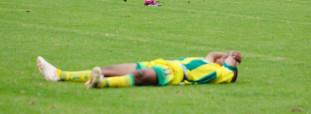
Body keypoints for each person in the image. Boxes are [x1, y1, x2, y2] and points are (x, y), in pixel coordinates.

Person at [36, 51, 242, 89]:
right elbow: (215, 54)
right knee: (108, 68)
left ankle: (101, 83)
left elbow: (231, 64)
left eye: (226, 59)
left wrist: (233, 56)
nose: (224, 57)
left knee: (140, 76)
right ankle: (58, 75)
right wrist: (227, 52)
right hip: (162, 62)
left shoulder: (222, 72)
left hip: (176, 73)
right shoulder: (206, 61)